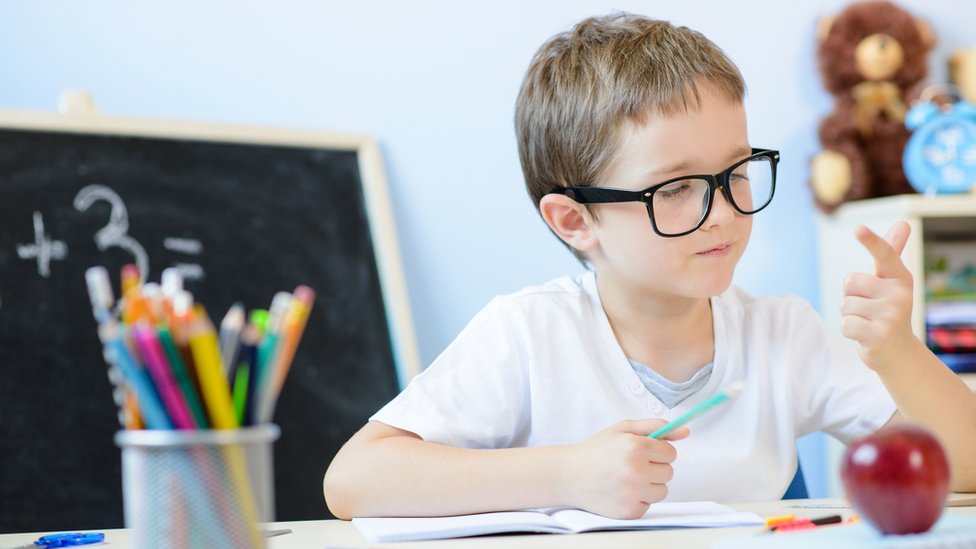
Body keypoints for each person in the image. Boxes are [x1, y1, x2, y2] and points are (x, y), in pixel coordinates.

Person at [323, 12, 976, 520]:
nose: (721, 212)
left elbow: (967, 466)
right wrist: (567, 474)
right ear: (575, 220)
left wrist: (897, 352)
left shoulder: (784, 336)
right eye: (674, 189)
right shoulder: (528, 334)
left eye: (736, 173)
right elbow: (353, 479)